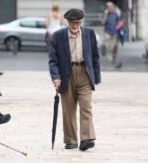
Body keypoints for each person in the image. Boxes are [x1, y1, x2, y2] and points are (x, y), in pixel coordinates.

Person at [49, 8, 101, 151]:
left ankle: (86, 139)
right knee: (69, 110)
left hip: (85, 73)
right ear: (68, 22)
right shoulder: (58, 35)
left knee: (86, 107)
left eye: (78, 23)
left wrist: (96, 76)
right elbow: (53, 60)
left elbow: (95, 56)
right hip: (67, 74)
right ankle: (71, 140)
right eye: (72, 23)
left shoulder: (89, 33)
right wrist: (55, 77)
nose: (75, 25)